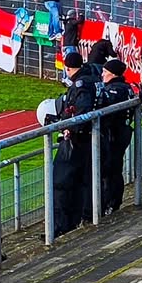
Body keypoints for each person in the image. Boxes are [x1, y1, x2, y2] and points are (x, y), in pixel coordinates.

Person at [52, 52, 99, 236]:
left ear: (68, 68)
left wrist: (70, 128)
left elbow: (83, 110)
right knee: (79, 182)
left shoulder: (81, 84)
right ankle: (73, 221)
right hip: (85, 138)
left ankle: (62, 226)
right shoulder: (90, 78)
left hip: (78, 140)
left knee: (61, 182)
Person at [97, 59, 135, 216]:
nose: (102, 75)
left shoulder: (115, 90)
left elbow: (107, 111)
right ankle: (111, 203)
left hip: (114, 134)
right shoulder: (126, 88)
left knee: (109, 169)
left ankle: (110, 204)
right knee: (114, 168)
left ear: (112, 74)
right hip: (121, 132)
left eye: (105, 72)